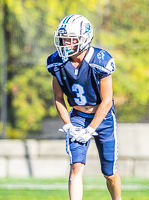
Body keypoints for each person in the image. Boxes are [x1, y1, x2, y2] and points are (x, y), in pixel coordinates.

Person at [46, 14, 122, 200]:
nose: (65, 43)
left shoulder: (100, 60)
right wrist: (69, 125)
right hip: (77, 116)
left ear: (84, 38)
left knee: (109, 172)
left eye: (71, 39)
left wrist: (90, 130)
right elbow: (58, 97)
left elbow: (106, 101)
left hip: (103, 119)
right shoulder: (57, 62)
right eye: (63, 38)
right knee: (76, 167)